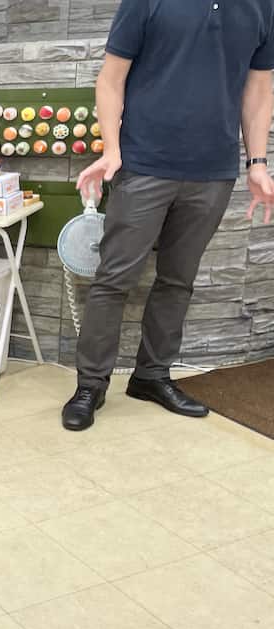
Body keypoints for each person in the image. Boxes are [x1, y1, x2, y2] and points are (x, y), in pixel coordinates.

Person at [63, 0, 274, 431]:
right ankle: (90, 385)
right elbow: (111, 78)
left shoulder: (263, 6)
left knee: (178, 280)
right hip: (143, 164)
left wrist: (257, 162)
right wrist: (112, 148)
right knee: (114, 277)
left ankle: (152, 375)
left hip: (213, 173)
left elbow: (259, 87)